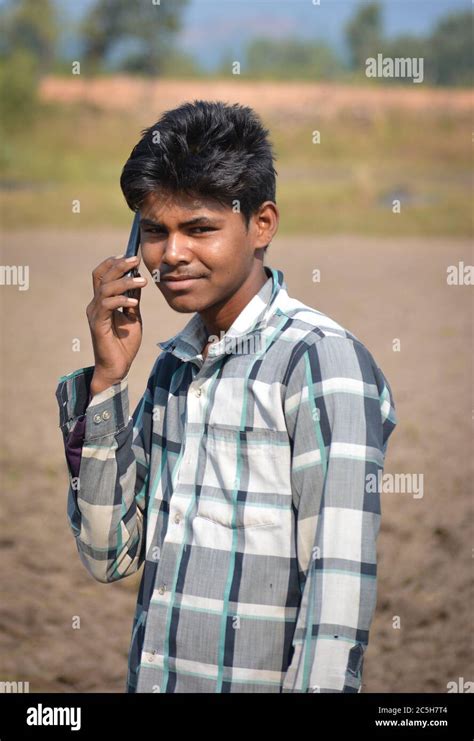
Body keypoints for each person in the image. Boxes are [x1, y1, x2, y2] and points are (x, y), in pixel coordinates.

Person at [55, 100, 397, 693]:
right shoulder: (169, 369)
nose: (172, 255)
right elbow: (108, 553)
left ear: (262, 224)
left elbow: (335, 593)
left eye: (200, 229)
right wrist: (109, 381)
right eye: (155, 231)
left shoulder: (321, 364)